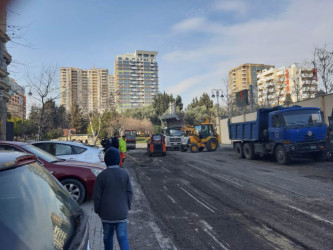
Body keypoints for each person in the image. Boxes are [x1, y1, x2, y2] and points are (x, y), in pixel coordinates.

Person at [94, 147, 133, 250]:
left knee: (107, 237)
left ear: (106, 160)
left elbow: (97, 196)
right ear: (118, 159)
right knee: (123, 237)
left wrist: (97, 210)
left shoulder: (101, 176)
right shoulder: (124, 174)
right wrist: (127, 206)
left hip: (106, 214)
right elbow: (130, 193)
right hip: (121, 213)